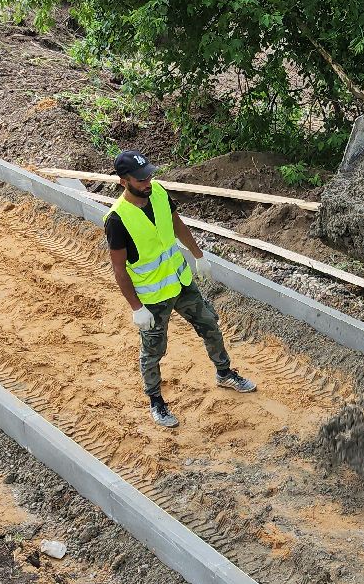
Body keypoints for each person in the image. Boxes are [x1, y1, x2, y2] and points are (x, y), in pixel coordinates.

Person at [104, 150, 257, 427]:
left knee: (209, 322)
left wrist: (198, 255)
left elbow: (176, 224)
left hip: (181, 282)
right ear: (124, 181)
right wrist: (137, 308)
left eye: (148, 175)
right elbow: (119, 268)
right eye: (141, 179)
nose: (148, 181)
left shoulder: (159, 192)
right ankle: (156, 402)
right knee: (153, 350)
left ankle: (224, 373)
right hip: (152, 298)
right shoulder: (117, 220)